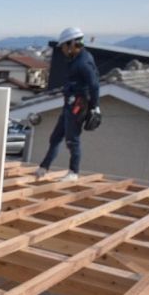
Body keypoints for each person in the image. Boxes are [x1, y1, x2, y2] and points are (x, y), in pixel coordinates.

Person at [36, 26, 100, 182]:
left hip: (78, 104)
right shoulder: (76, 59)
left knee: (72, 139)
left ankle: (73, 172)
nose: (62, 50)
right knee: (56, 137)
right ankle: (44, 167)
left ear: (72, 43)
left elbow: (94, 85)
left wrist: (94, 107)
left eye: (64, 46)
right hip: (70, 103)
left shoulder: (83, 62)